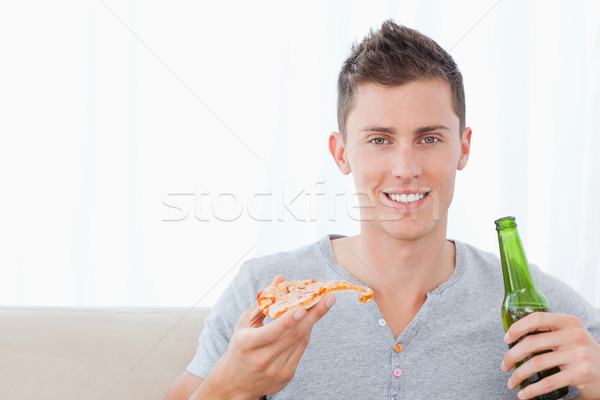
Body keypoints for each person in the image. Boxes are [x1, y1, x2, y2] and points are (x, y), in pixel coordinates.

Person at [165, 20, 600, 400]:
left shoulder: (536, 307)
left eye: (429, 138)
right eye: (379, 139)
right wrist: (230, 387)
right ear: (341, 153)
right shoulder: (261, 297)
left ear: (463, 148)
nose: (406, 169)